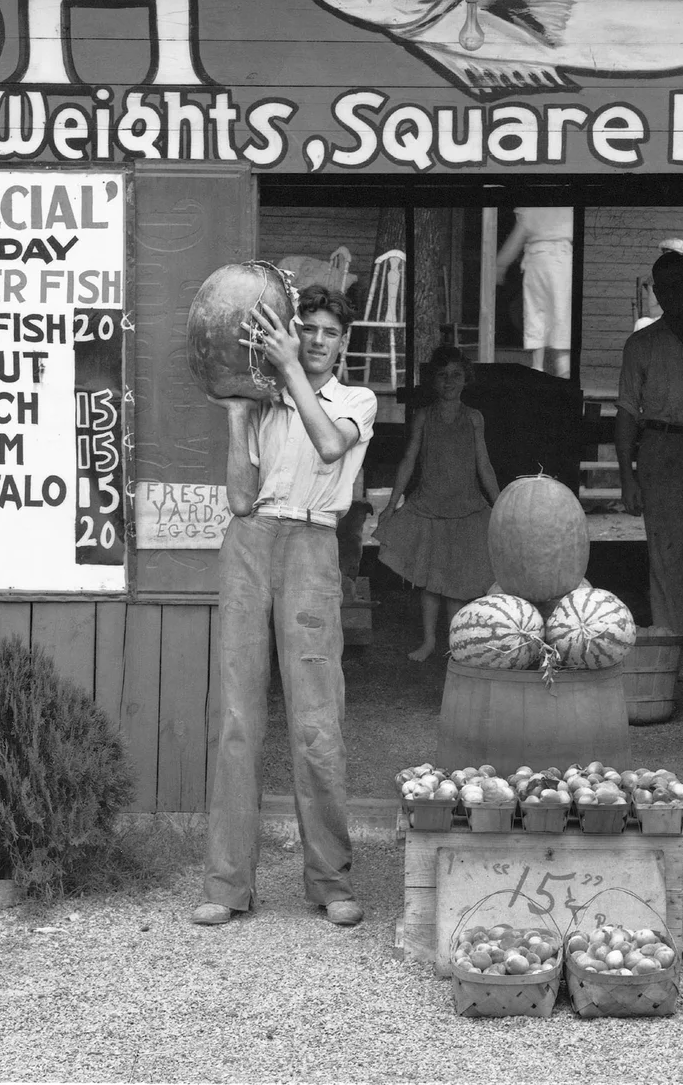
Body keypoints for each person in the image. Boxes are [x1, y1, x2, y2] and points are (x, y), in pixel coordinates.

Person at [194, 286, 377, 930]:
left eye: (331, 332)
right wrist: (240, 415)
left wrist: (291, 367)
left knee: (317, 721)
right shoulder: (268, 402)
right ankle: (227, 885)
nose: (320, 339)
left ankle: (330, 881)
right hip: (250, 542)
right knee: (239, 717)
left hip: (311, 540)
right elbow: (241, 501)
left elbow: (330, 447)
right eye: (310, 329)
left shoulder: (355, 401)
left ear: (343, 344)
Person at [614, 251, 683, 676]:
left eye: (680, 283)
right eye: (663, 286)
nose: (673, 293)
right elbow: (625, 413)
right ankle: (674, 655)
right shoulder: (641, 343)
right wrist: (626, 477)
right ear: (655, 291)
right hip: (659, 447)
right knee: (664, 556)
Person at [376, 348, 500, 659]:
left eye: (456, 375)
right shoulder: (424, 416)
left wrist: (500, 505)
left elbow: (483, 463)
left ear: (466, 380)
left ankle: (455, 642)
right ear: (433, 381)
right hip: (429, 506)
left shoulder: (474, 418)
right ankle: (430, 641)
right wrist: (392, 503)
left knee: (457, 583)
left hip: (466, 507)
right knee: (430, 582)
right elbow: (409, 459)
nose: (449, 381)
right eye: (442, 376)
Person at [493, 206, 573, 377]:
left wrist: (500, 265)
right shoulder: (568, 209)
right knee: (561, 312)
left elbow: (516, 238)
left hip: (539, 259)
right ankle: (563, 366)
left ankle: (538, 366)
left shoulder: (532, 209)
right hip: (562, 259)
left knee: (537, 313)